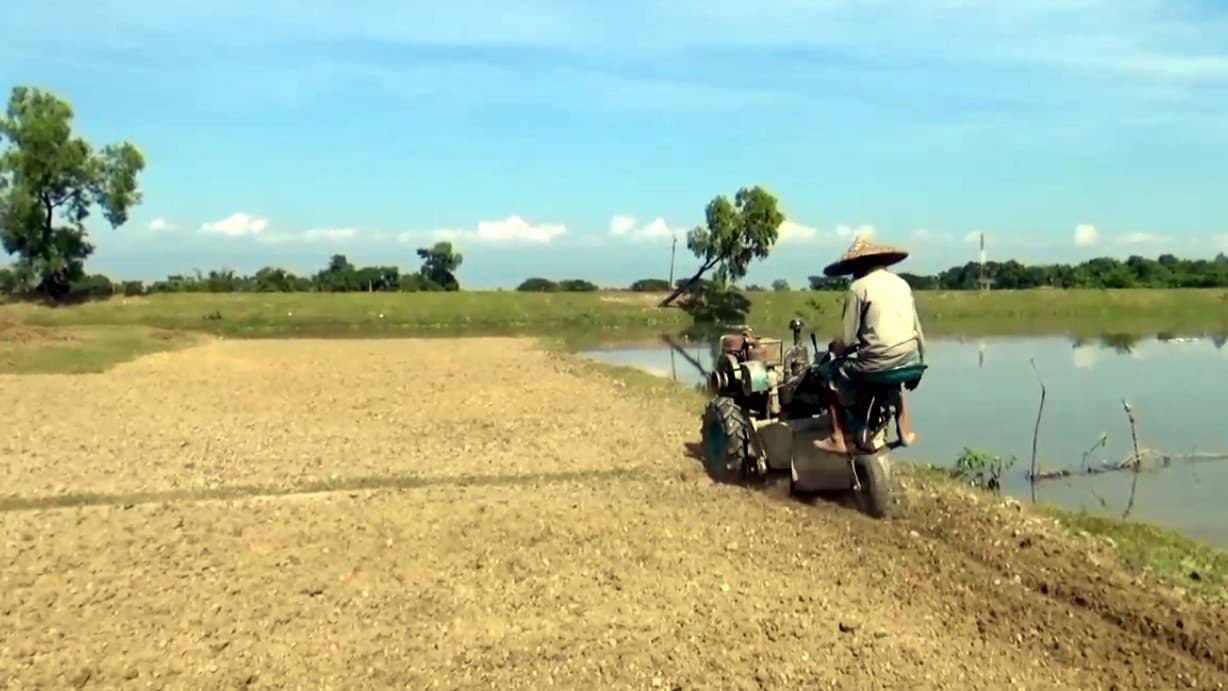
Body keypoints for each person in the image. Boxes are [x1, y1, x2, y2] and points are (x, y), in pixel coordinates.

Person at [817, 235, 926, 450]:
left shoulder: (858, 288)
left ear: (859, 263)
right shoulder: (903, 284)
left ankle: (837, 437)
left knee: (826, 374)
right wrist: (919, 364)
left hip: (877, 364)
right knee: (893, 372)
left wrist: (834, 348)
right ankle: (905, 431)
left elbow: (847, 340)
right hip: (910, 359)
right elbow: (917, 329)